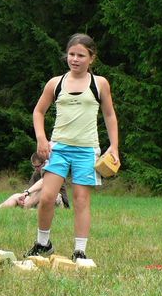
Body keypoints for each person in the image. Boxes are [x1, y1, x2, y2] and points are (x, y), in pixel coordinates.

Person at [24, 33, 119, 261]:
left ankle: (80, 251)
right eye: (71, 54)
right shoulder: (55, 83)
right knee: (47, 197)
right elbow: (38, 111)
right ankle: (43, 244)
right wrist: (41, 138)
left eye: (81, 55)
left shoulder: (100, 84)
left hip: (86, 150)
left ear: (91, 58)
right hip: (58, 148)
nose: (75, 59)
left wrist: (114, 146)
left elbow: (109, 115)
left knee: (81, 200)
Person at [0, 153, 70, 209]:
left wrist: (27, 192)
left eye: (38, 166)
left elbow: (44, 182)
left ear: (44, 163)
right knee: (16, 196)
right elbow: (32, 193)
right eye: (34, 166)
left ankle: (28, 208)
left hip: (57, 200)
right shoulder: (36, 174)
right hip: (38, 199)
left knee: (44, 191)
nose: (36, 169)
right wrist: (23, 198)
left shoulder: (53, 171)